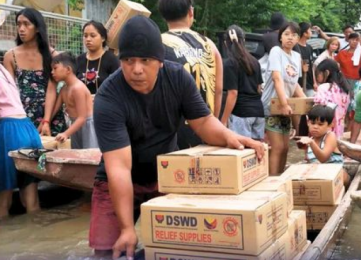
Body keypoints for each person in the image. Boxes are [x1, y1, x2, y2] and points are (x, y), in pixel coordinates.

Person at [89, 16, 265, 259]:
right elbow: (118, 168)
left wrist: (230, 137)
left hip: (165, 176)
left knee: (176, 249)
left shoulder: (178, 78)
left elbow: (203, 122)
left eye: (145, 60)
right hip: (115, 181)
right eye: (128, 60)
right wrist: (128, 228)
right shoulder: (108, 97)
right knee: (108, 253)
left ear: (160, 62)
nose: (136, 69)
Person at [158, 0, 223, 149]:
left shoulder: (158, 44)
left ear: (163, 15)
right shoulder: (209, 44)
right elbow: (218, 90)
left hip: (171, 134)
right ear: (191, 12)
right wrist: (214, 122)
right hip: (205, 131)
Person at [3, 7, 66, 136]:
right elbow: (10, 92)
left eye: (26, 24)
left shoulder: (53, 55)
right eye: (19, 24)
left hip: (51, 115)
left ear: (37, 28)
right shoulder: (10, 56)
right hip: (23, 117)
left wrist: (46, 120)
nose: (21, 29)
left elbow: (51, 89)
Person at [261, 22, 306, 175]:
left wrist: (307, 102)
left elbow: (295, 85)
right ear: (280, 37)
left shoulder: (297, 56)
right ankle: (271, 181)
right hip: (272, 106)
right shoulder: (276, 52)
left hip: (286, 109)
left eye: (294, 35)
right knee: (277, 147)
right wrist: (285, 103)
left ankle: (279, 178)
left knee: (286, 148)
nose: (290, 38)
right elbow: (277, 78)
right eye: (286, 34)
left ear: (298, 38)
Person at [0, 58, 42, 218]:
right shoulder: (3, 70)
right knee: (32, 198)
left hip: (10, 132)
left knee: (4, 199)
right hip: (30, 131)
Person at [221, 25, 264, 140]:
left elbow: (233, 93)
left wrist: (224, 120)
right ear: (244, 41)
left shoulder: (230, 63)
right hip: (258, 112)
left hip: (241, 113)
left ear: (226, 43)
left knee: (243, 154)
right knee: (257, 153)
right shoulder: (255, 62)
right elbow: (259, 89)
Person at [51, 52, 98, 149]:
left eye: (55, 68)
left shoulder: (77, 88)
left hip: (87, 126)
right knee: (76, 154)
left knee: (89, 156)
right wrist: (45, 123)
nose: (52, 72)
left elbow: (82, 117)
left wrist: (66, 133)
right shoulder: (64, 88)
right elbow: (55, 108)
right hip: (75, 125)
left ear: (68, 69)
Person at [76, 20, 119, 95]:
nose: (88, 39)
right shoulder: (79, 60)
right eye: (85, 36)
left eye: (92, 36)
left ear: (103, 38)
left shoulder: (111, 60)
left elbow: (118, 86)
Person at [314, 59, 350, 138]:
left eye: (318, 74)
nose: (317, 78)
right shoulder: (344, 89)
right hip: (339, 129)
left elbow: (318, 109)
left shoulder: (323, 88)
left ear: (326, 73)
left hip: (324, 128)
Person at [295, 22, 317, 97]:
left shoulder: (309, 47)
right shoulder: (295, 47)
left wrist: (314, 82)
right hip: (299, 84)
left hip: (310, 83)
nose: (311, 32)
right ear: (304, 33)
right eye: (310, 30)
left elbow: (311, 65)